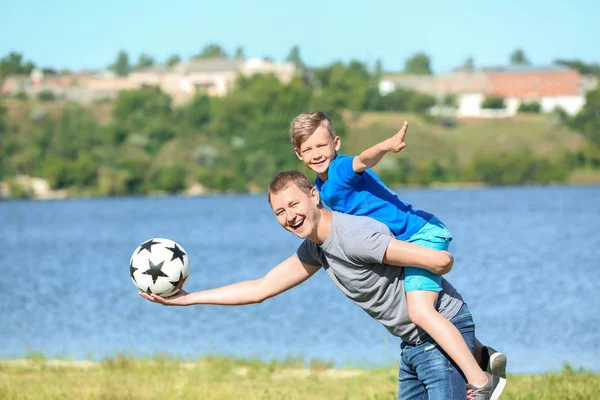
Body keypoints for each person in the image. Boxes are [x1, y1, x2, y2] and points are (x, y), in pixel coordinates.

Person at [140, 170, 506, 399]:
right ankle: (481, 358)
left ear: (313, 196)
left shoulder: (354, 236)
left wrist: (440, 258)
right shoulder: (315, 249)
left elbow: (433, 259)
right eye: (279, 212)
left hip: (440, 337)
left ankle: (480, 373)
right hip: (412, 345)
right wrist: (186, 301)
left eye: (293, 204)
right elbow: (260, 288)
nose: (289, 216)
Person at [289, 112, 506, 397]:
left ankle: (481, 382)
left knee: (419, 310)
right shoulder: (319, 188)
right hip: (406, 240)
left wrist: (385, 147)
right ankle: (482, 354)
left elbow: (363, 159)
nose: (316, 154)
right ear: (298, 153)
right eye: (308, 149)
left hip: (421, 235)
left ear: (336, 143)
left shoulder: (340, 170)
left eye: (321, 145)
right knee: (426, 306)